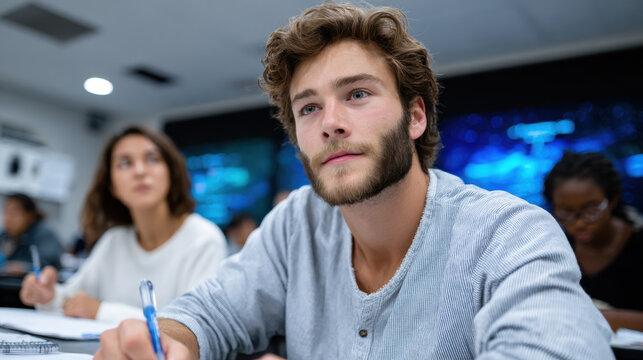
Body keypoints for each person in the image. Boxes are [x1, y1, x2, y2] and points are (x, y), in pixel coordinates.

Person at [96, 4, 613, 359]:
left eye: (358, 94)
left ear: (415, 118)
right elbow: (211, 312)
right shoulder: (296, 223)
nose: (330, 122)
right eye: (309, 106)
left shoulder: (509, 233)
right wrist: (166, 339)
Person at [19, 125, 226, 323]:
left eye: (152, 159)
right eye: (125, 163)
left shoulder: (203, 239)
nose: (139, 171)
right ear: (113, 187)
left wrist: (101, 312)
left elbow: (192, 327)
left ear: (171, 173)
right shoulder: (114, 240)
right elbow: (73, 301)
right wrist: (48, 295)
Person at [544, 152, 643, 331]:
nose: (579, 223)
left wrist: (588, 316)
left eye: (590, 209)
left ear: (612, 200)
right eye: (565, 212)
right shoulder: (554, 249)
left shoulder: (637, 243)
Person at [1, 193, 62, 275]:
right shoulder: (5, 236)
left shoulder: (43, 235)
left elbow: (50, 264)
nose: (8, 219)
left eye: (13, 214)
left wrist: (25, 268)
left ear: (29, 215)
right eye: (6, 212)